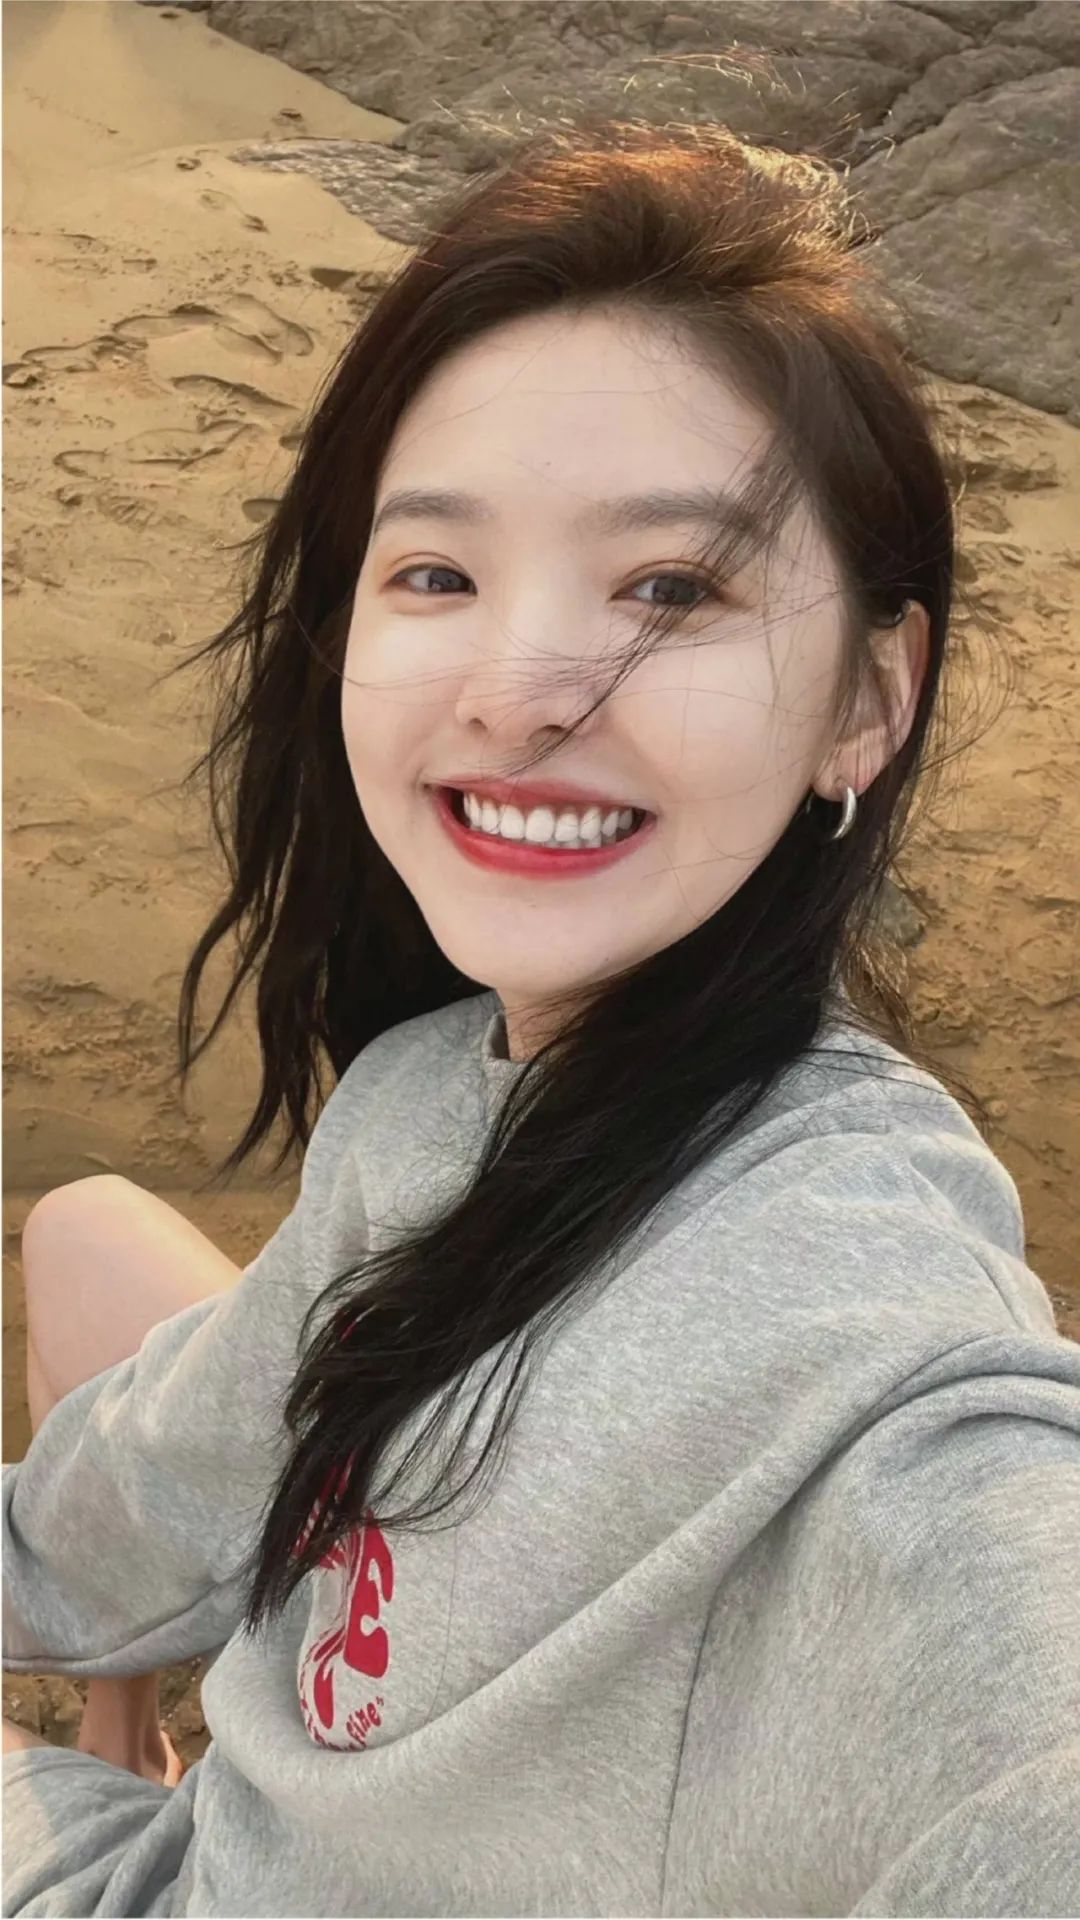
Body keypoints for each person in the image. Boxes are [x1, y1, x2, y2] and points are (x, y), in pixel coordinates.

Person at [3, 117, 1079, 1919]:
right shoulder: (435, 1092)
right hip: (239, 1824)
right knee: (88, 1234)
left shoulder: (857, 1346)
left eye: (673, 588)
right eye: (437, 573)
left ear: (867, 702)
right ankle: (143, 1727)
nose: (519, 695)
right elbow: (170, 1460)